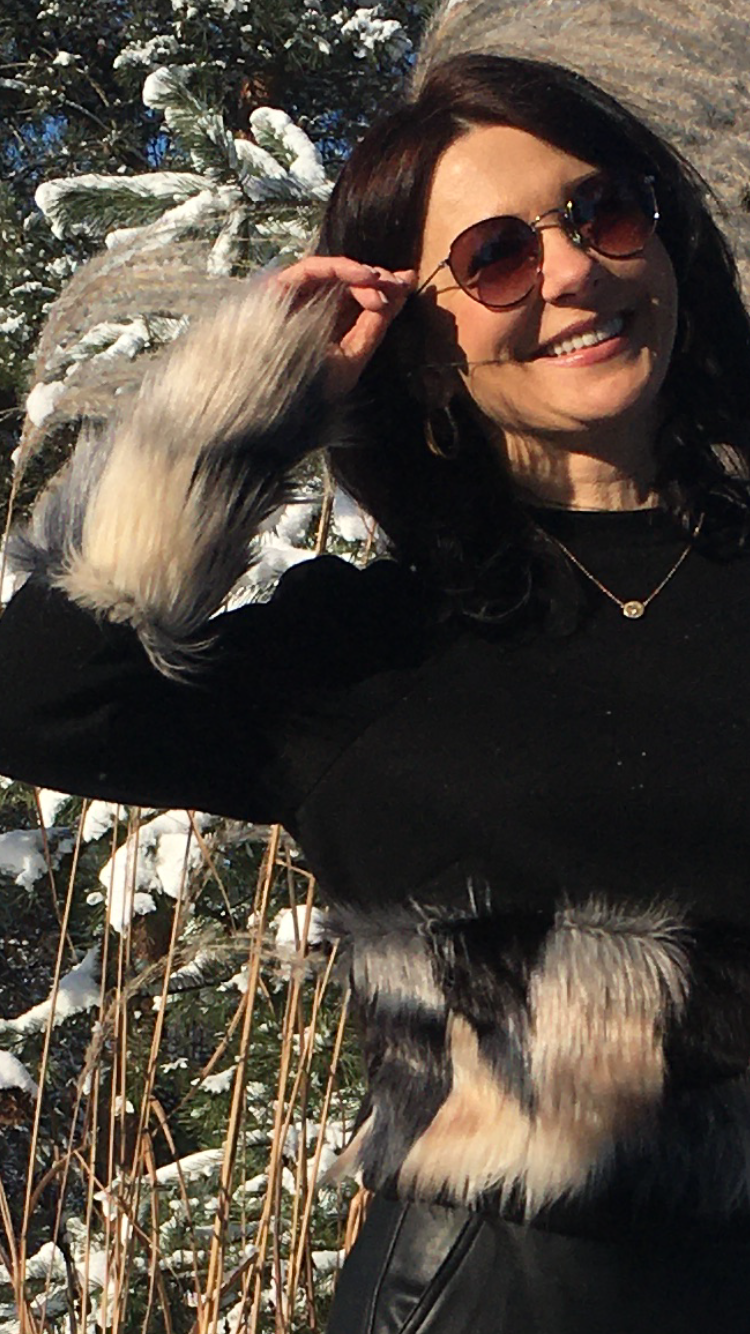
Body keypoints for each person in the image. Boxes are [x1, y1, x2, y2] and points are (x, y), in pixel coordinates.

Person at [3, 35, 750, 1334]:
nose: (575, 268)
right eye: (496, 256)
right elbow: (41, 695)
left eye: (603, 212)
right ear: (425, 340)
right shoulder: (369, 648)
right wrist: (244, 403)